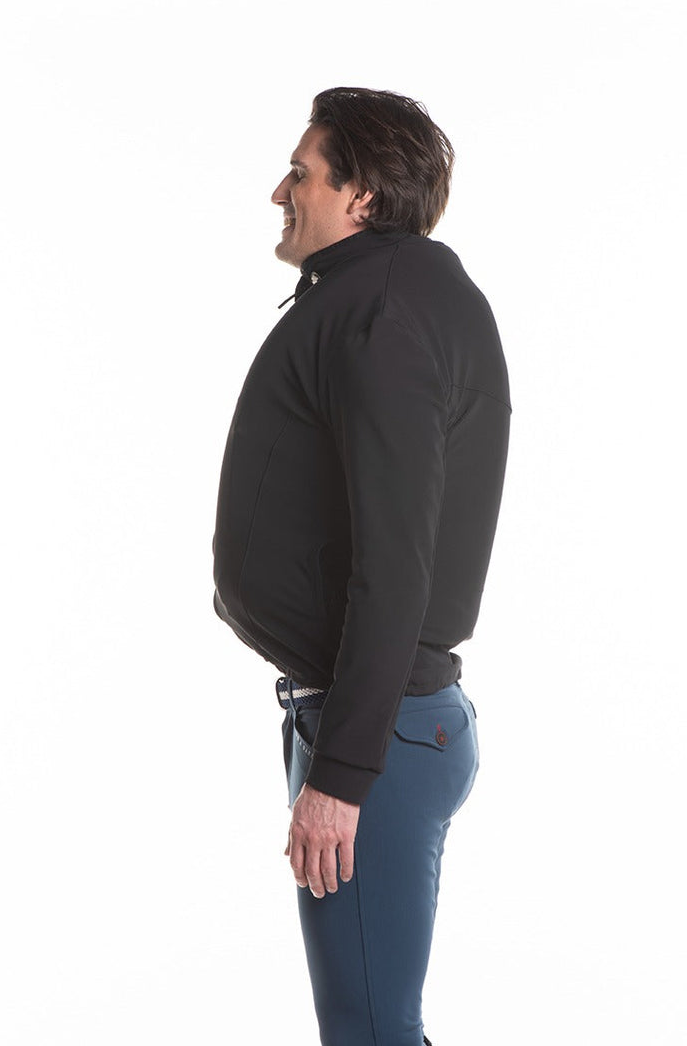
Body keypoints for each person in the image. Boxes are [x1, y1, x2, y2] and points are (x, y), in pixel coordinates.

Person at [212, 86, 511, 1046]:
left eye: (300, 174)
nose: (280, 192)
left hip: (378, 734)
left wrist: (340, 774)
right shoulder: (391, 294)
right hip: (380, 721)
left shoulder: (383, 310)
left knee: (371, 1032)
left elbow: (397, 560)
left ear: (363, 197)